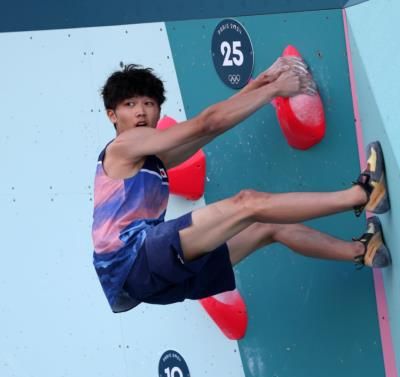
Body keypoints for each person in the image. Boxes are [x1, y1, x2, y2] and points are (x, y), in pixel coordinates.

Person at [92, 61, 390, 313]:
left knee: (265, 227)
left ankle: (363, 249)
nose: (141, 112)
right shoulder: (125, 143)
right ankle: (363, 194)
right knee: (247, 203)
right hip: (138, 258)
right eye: (130, 105)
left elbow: (214, 128)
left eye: (149, 103)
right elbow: (205, 123)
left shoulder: (151, 157)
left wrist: (257, 87)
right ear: (112, 115)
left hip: (144, 281)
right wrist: (275, 89)